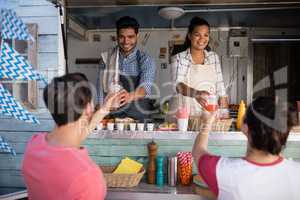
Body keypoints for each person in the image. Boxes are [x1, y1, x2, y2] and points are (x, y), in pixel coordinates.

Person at [22, 73, 121, 200]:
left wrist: (105, 109)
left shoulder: (34, 145)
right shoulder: (87, 177)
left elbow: (74, 137)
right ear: (89, 108)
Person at [192, 96, 300, 200]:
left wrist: (208, 122)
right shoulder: (296, 174)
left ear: (244, 126)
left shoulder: (223, 171)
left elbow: (198, 150)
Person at [96, 16, 156, 121]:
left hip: (140, 118)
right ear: (117, 36)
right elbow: (100, 89)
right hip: (114, 117)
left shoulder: (146, 60)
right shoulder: (107, 58)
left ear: (137, 36)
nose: (126, 41)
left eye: (130, 37)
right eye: (121, 37)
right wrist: (99, 113)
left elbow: (145, 88)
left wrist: (129, 96)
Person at [170, 17, 228, 122]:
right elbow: (178, 85)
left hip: (208, 116)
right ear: (189, 36)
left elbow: (221, 88)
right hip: (183, 117)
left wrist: (224, 113)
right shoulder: (179, 58)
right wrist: (196, 93)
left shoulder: (213, 58)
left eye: (206, 35)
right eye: (197, 35)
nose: (202, 39)